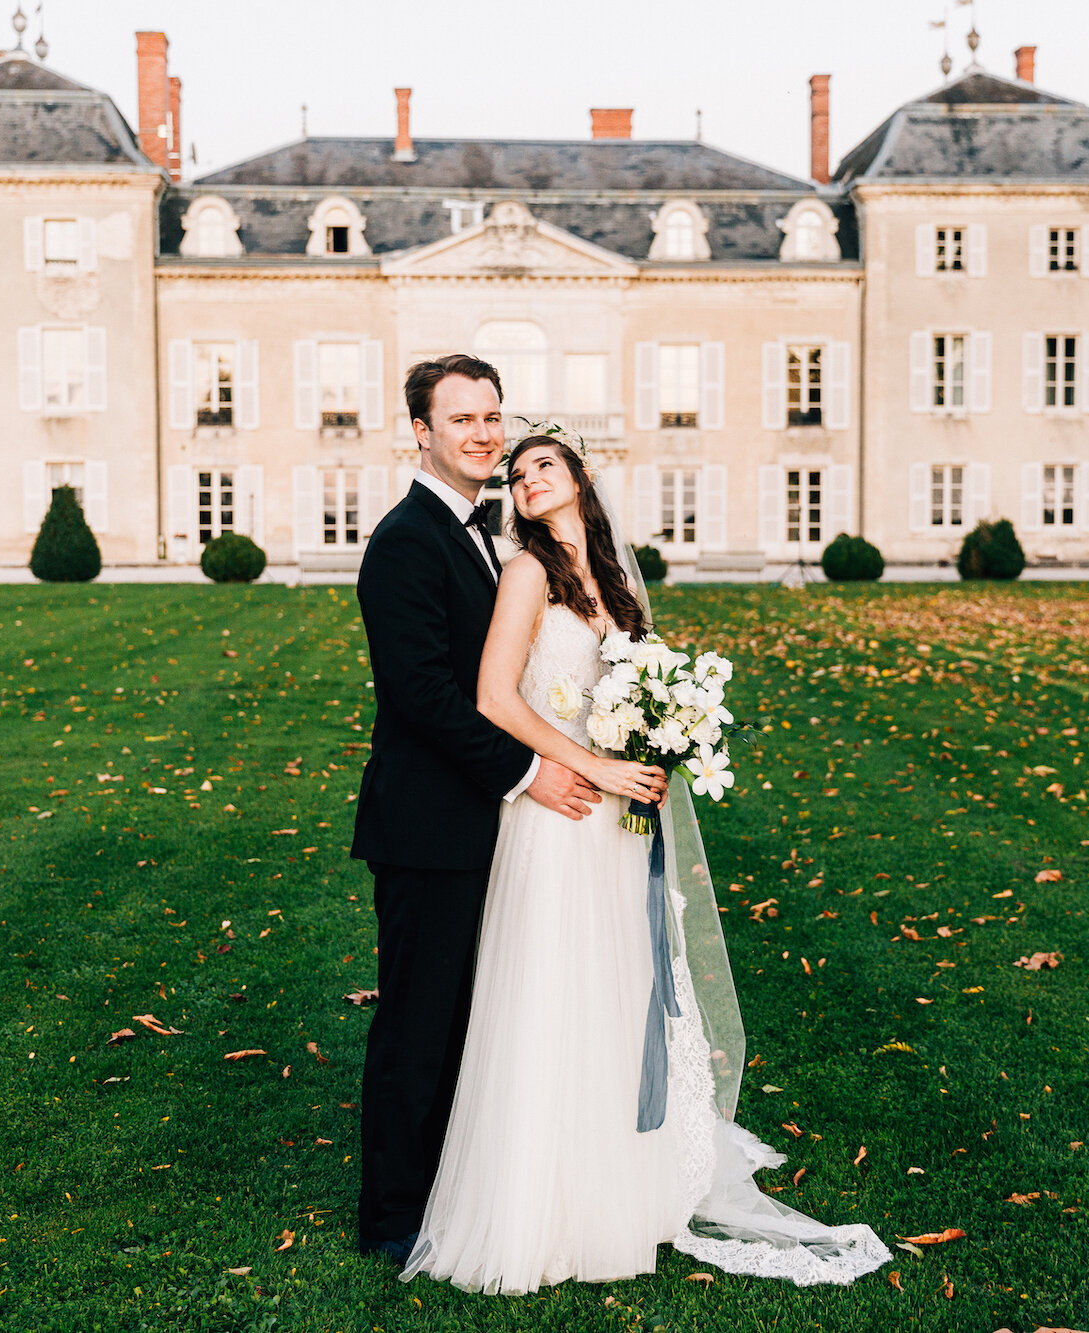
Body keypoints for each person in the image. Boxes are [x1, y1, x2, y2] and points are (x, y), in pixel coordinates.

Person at [398, 430, 892, 1294]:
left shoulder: (615, 584)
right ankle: (544, 1206)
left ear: (580, 476)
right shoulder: (525, 574)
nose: (527, 479)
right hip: (562, 811)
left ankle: (620, 1183)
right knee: (555, 991)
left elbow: (632, 689)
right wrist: (593, 764)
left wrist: (659, 742)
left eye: (544, 464)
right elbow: (491, 696)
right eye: (518, 475)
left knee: (619, 993)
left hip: (621, 813)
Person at [350, 355, 669, 1265]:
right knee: (419, 1020)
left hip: (495, 819)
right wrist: (534, 773)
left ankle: (472, 1174)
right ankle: (393, 1216)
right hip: (430, 821)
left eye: (494, 417)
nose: (485, 435)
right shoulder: (408, 538)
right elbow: (422, 694)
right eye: (463, 421)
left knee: (477, 1014)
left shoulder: (487, 535)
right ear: (421, 430)